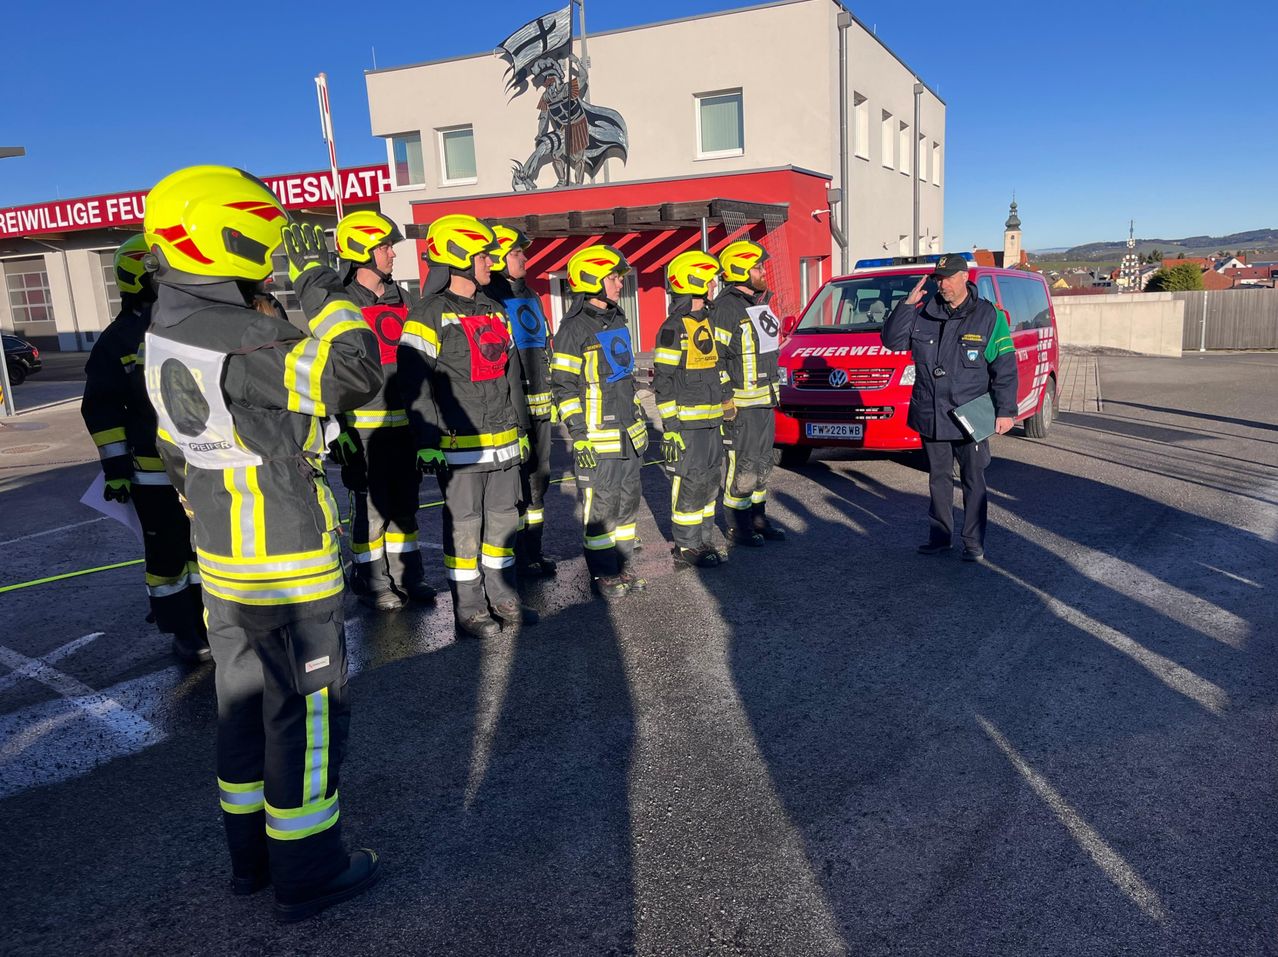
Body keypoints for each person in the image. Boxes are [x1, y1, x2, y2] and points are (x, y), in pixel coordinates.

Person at [142, 165, 383, 921]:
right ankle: (310, 868)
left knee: (242, 710)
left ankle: (251, 862)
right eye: (265, 238)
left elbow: (178, 455)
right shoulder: (247, 335)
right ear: (226, 235)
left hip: (223, 561)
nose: (274, 254)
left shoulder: (164, 330)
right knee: (307, 716)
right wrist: (323, 289)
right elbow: (356, 371)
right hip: (287, 562)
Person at [398, 214, 537, 640]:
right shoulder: (428, 314)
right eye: (482, 255)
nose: (490, 262)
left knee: (502, 523)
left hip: (503, 443)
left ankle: (503, 595)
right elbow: (413, 382)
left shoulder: (495, 310)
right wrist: (426, 441)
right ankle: (470, 608)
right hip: (459, 446)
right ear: (458, 257)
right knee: (464, 526)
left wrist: (522, 430)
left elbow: (512, 377)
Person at [80, 234, 210, 664]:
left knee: (206, 548)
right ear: (144, 275)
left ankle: (212, 621)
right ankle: (182, 629)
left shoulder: (188, 323)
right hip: (151, 472)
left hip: (202, 462)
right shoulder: (117, 341)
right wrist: (116, 466)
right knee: (168, 556)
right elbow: (101, 408)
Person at [880, 253, 1018, 561]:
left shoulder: (988, 316)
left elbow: (1005, 366)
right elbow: (891, 341)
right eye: (938, 279)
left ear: (963, 279)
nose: (941, 284)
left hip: (971, 413)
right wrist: (906, 305)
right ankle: (940, 538)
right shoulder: (923, 311)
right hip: (931, 410)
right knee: (938, 479)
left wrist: (1006, 410)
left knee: (973, 479)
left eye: (946, 278)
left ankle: (973, 542)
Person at [330, 210, 435, 612]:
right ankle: (372, 583)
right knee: (371, 516)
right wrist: (336, 430)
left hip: (405, 428)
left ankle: (410, 576)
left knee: (405, 508)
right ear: (361, 252)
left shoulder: (403, 299)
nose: (393, 254)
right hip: (363, 432)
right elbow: (331, 373)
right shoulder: (341, 305)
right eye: (385, 246)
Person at [550, 244, 647, 599]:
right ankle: (603, 575)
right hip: (597, 438)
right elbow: (563, 388)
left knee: (627, 503)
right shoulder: (572, 330)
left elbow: (626, 380)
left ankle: (620, 567)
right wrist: (579, 436)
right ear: (592, 279)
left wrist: (639, 422)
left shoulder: (618, 319)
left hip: (628, 436)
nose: (620, 283)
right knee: (601, 508)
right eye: (612, 277)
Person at [485, 223, 557, 578]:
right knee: (512, 488)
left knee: (538, 483)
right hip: (511, 411)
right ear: (499, 256)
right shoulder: (491, 301)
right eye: (515, 252)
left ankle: (533, 553)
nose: (523, 257)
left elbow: (544, 348)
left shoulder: (532, 296)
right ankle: (508, 561)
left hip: (540, 408)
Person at [653, 250, 730, 568]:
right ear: (692, 281)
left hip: (712, 421)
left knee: (711, 479)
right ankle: (686, 546)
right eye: (708, 279)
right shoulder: (673, 328)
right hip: (687, 423)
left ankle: (704, 538)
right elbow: (664, 380)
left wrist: (726, 399)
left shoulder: (706, 322)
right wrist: (670, 426)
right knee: (690, 481)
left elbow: (716, 368)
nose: (713, 285)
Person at [712, 239, 787, 546]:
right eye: (757, 266)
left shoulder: (759, 303)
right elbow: (713, 357)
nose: (762, 271)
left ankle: (758, 519)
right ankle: (739, 527)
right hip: (741, 406)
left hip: (765, 401)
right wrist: (726, 398)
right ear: (740, 270)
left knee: (762, 464)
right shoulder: (725, 309)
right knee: (741, 467)